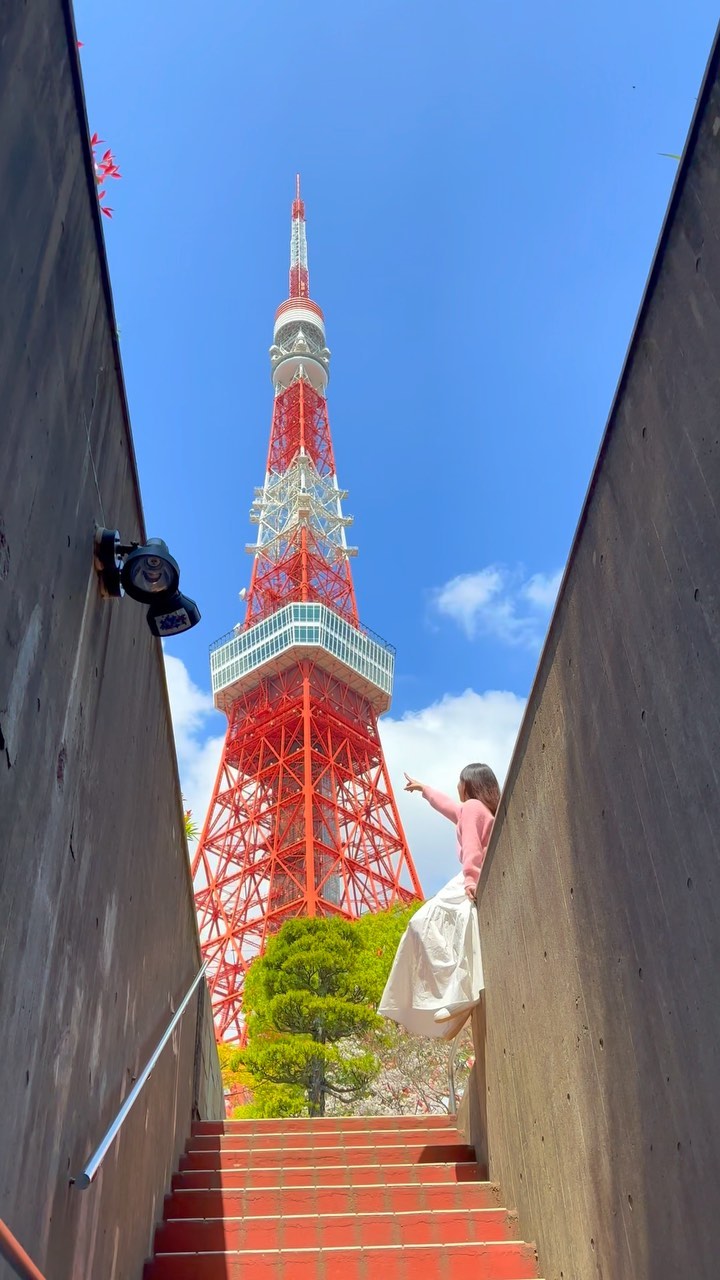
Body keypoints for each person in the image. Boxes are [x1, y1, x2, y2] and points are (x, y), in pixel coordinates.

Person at [378, 762, 500, 1041]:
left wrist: (471, 879)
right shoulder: (478, 810)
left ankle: (455, 996)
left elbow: (471, 845)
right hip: (478, 876)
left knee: (423, 923)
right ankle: (457, 997)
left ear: (468, 785)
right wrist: (424, 789)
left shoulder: (472, 809)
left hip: (471, 878)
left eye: (459, 781)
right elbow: (448, 806)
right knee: (457, 935)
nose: (456, 787)